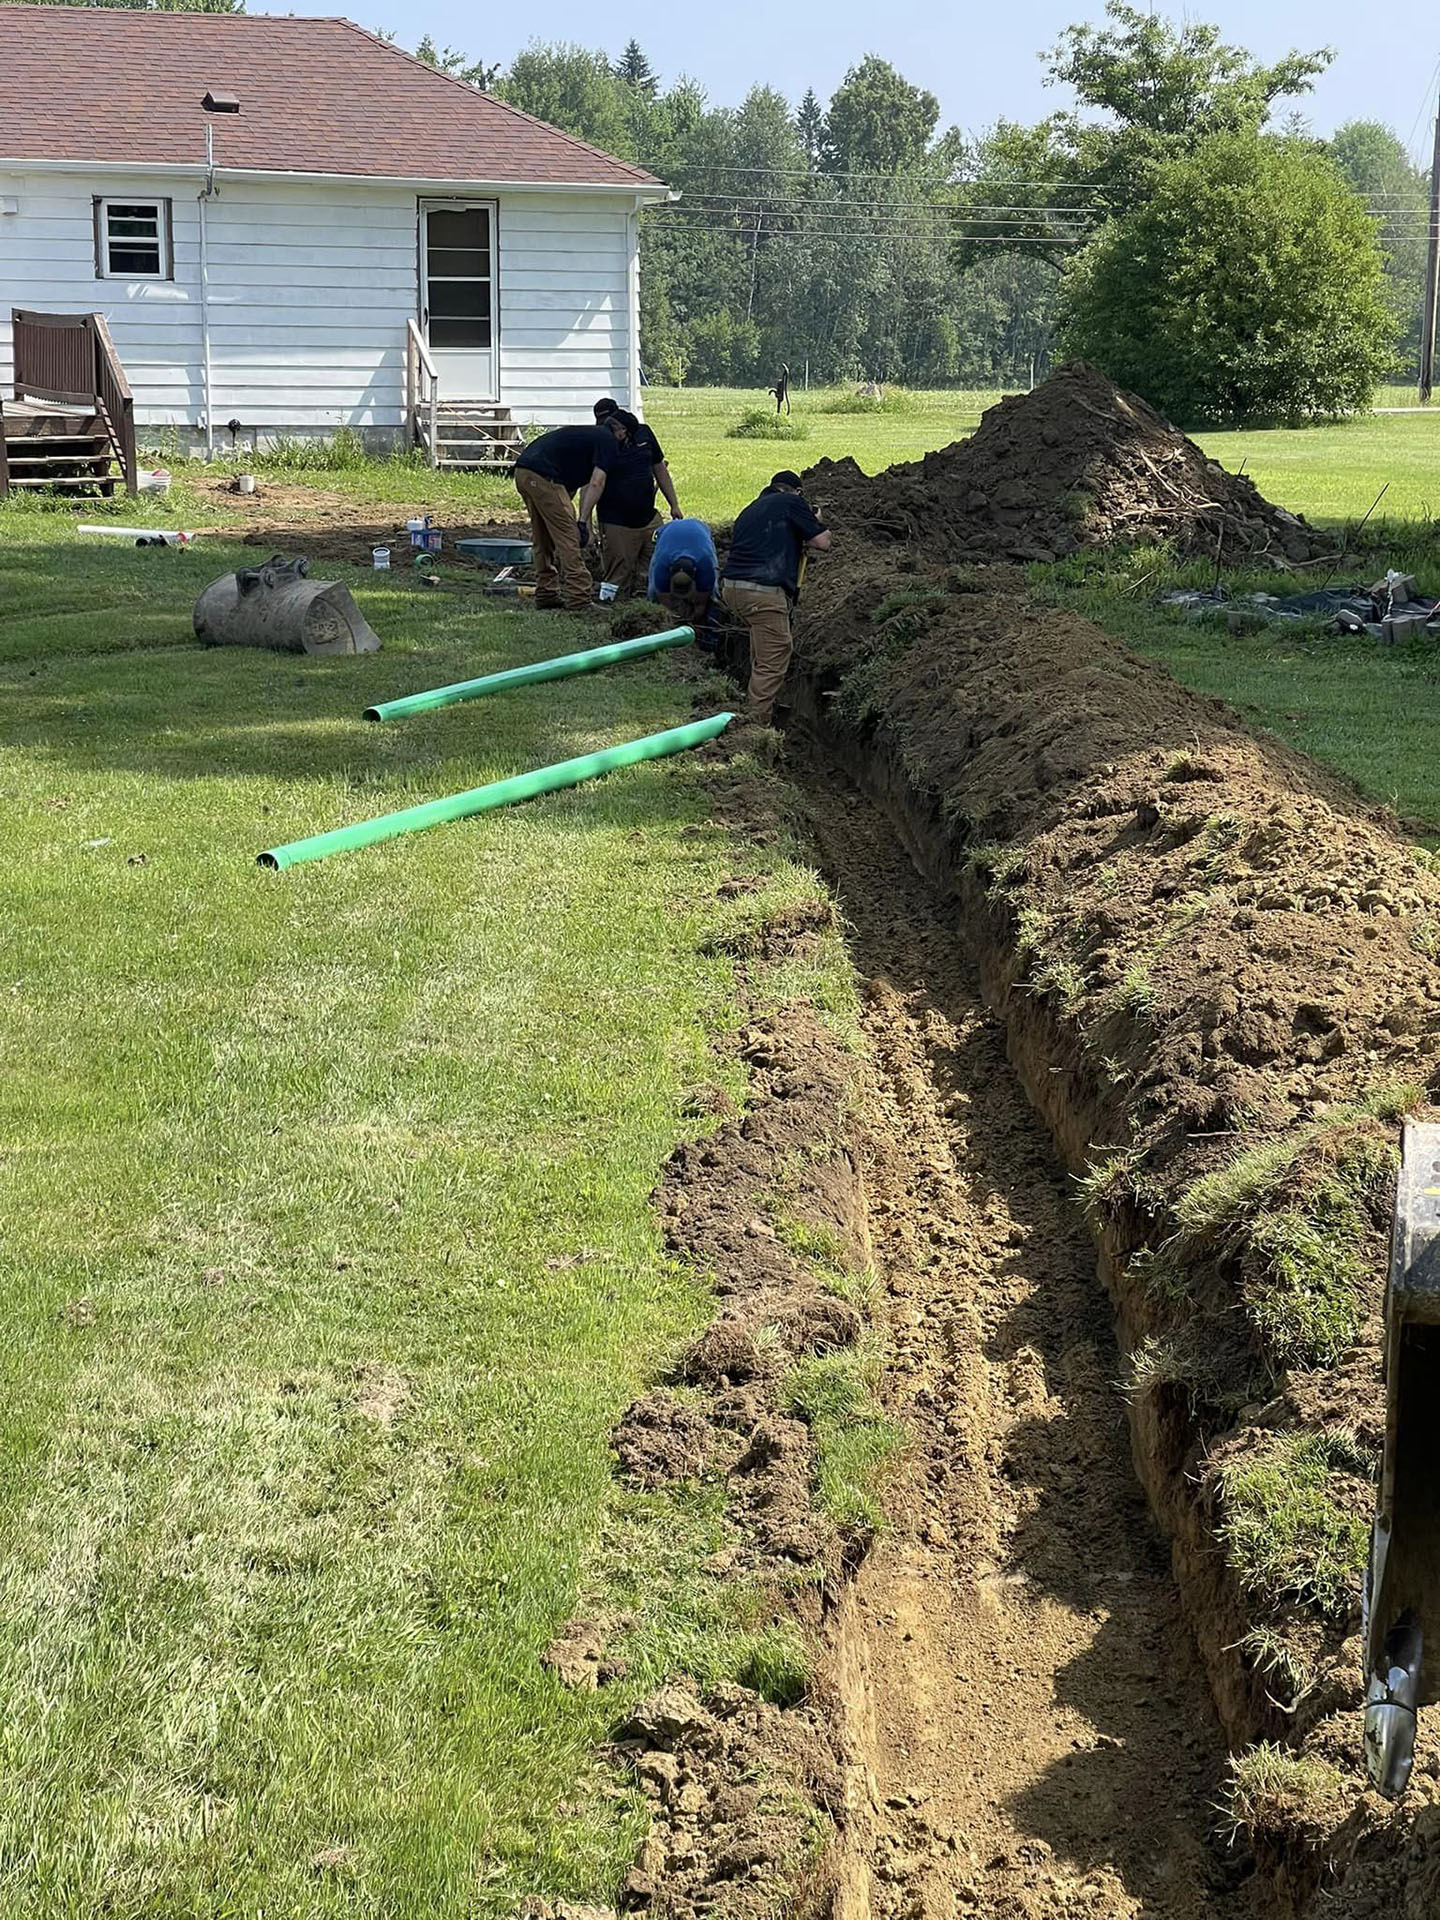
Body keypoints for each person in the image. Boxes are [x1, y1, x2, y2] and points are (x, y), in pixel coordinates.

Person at [719, 470, 830, 725]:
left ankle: (755, 700)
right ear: (798, 492)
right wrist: (815, 521)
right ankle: (755, 724)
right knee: (776, 652)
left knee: (763, 645)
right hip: (763, 592)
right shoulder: (793, 502)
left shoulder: (752, 508)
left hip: (732, 589)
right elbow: (823, 542)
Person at [513, 414, 629, 611]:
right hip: (543, 476)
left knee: (543, 537)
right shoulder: (608, 440)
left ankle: (546, 593)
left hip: (523, 472)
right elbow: (596, 482)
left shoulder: (589, 437)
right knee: (568, 537)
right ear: (621, 431)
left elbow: (571, 487)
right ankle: (579, 597)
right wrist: (582, 524)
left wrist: (581, 519)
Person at [593, 408, 675, 600]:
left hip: (648, 517)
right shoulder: (603, 442)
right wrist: (585, 521)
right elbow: (592, 484)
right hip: (616, 521)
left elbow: (659, 468)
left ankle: (645, 603)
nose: (617, 435)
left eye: (620, 431)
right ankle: (608, 607)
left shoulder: (644, 434)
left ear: (627, 430)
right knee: (617, 573)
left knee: (653, 566)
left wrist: (674, 504)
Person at [649, 517, 718, 640]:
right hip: (668, 533)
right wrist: (674, 623)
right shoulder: (662, 565)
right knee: (652, 592)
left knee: (714, 594)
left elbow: (701, 604)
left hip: (699, 532)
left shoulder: (705, 564)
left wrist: (693, 621)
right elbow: (666, 604)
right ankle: (655, 629)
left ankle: (710, 632)